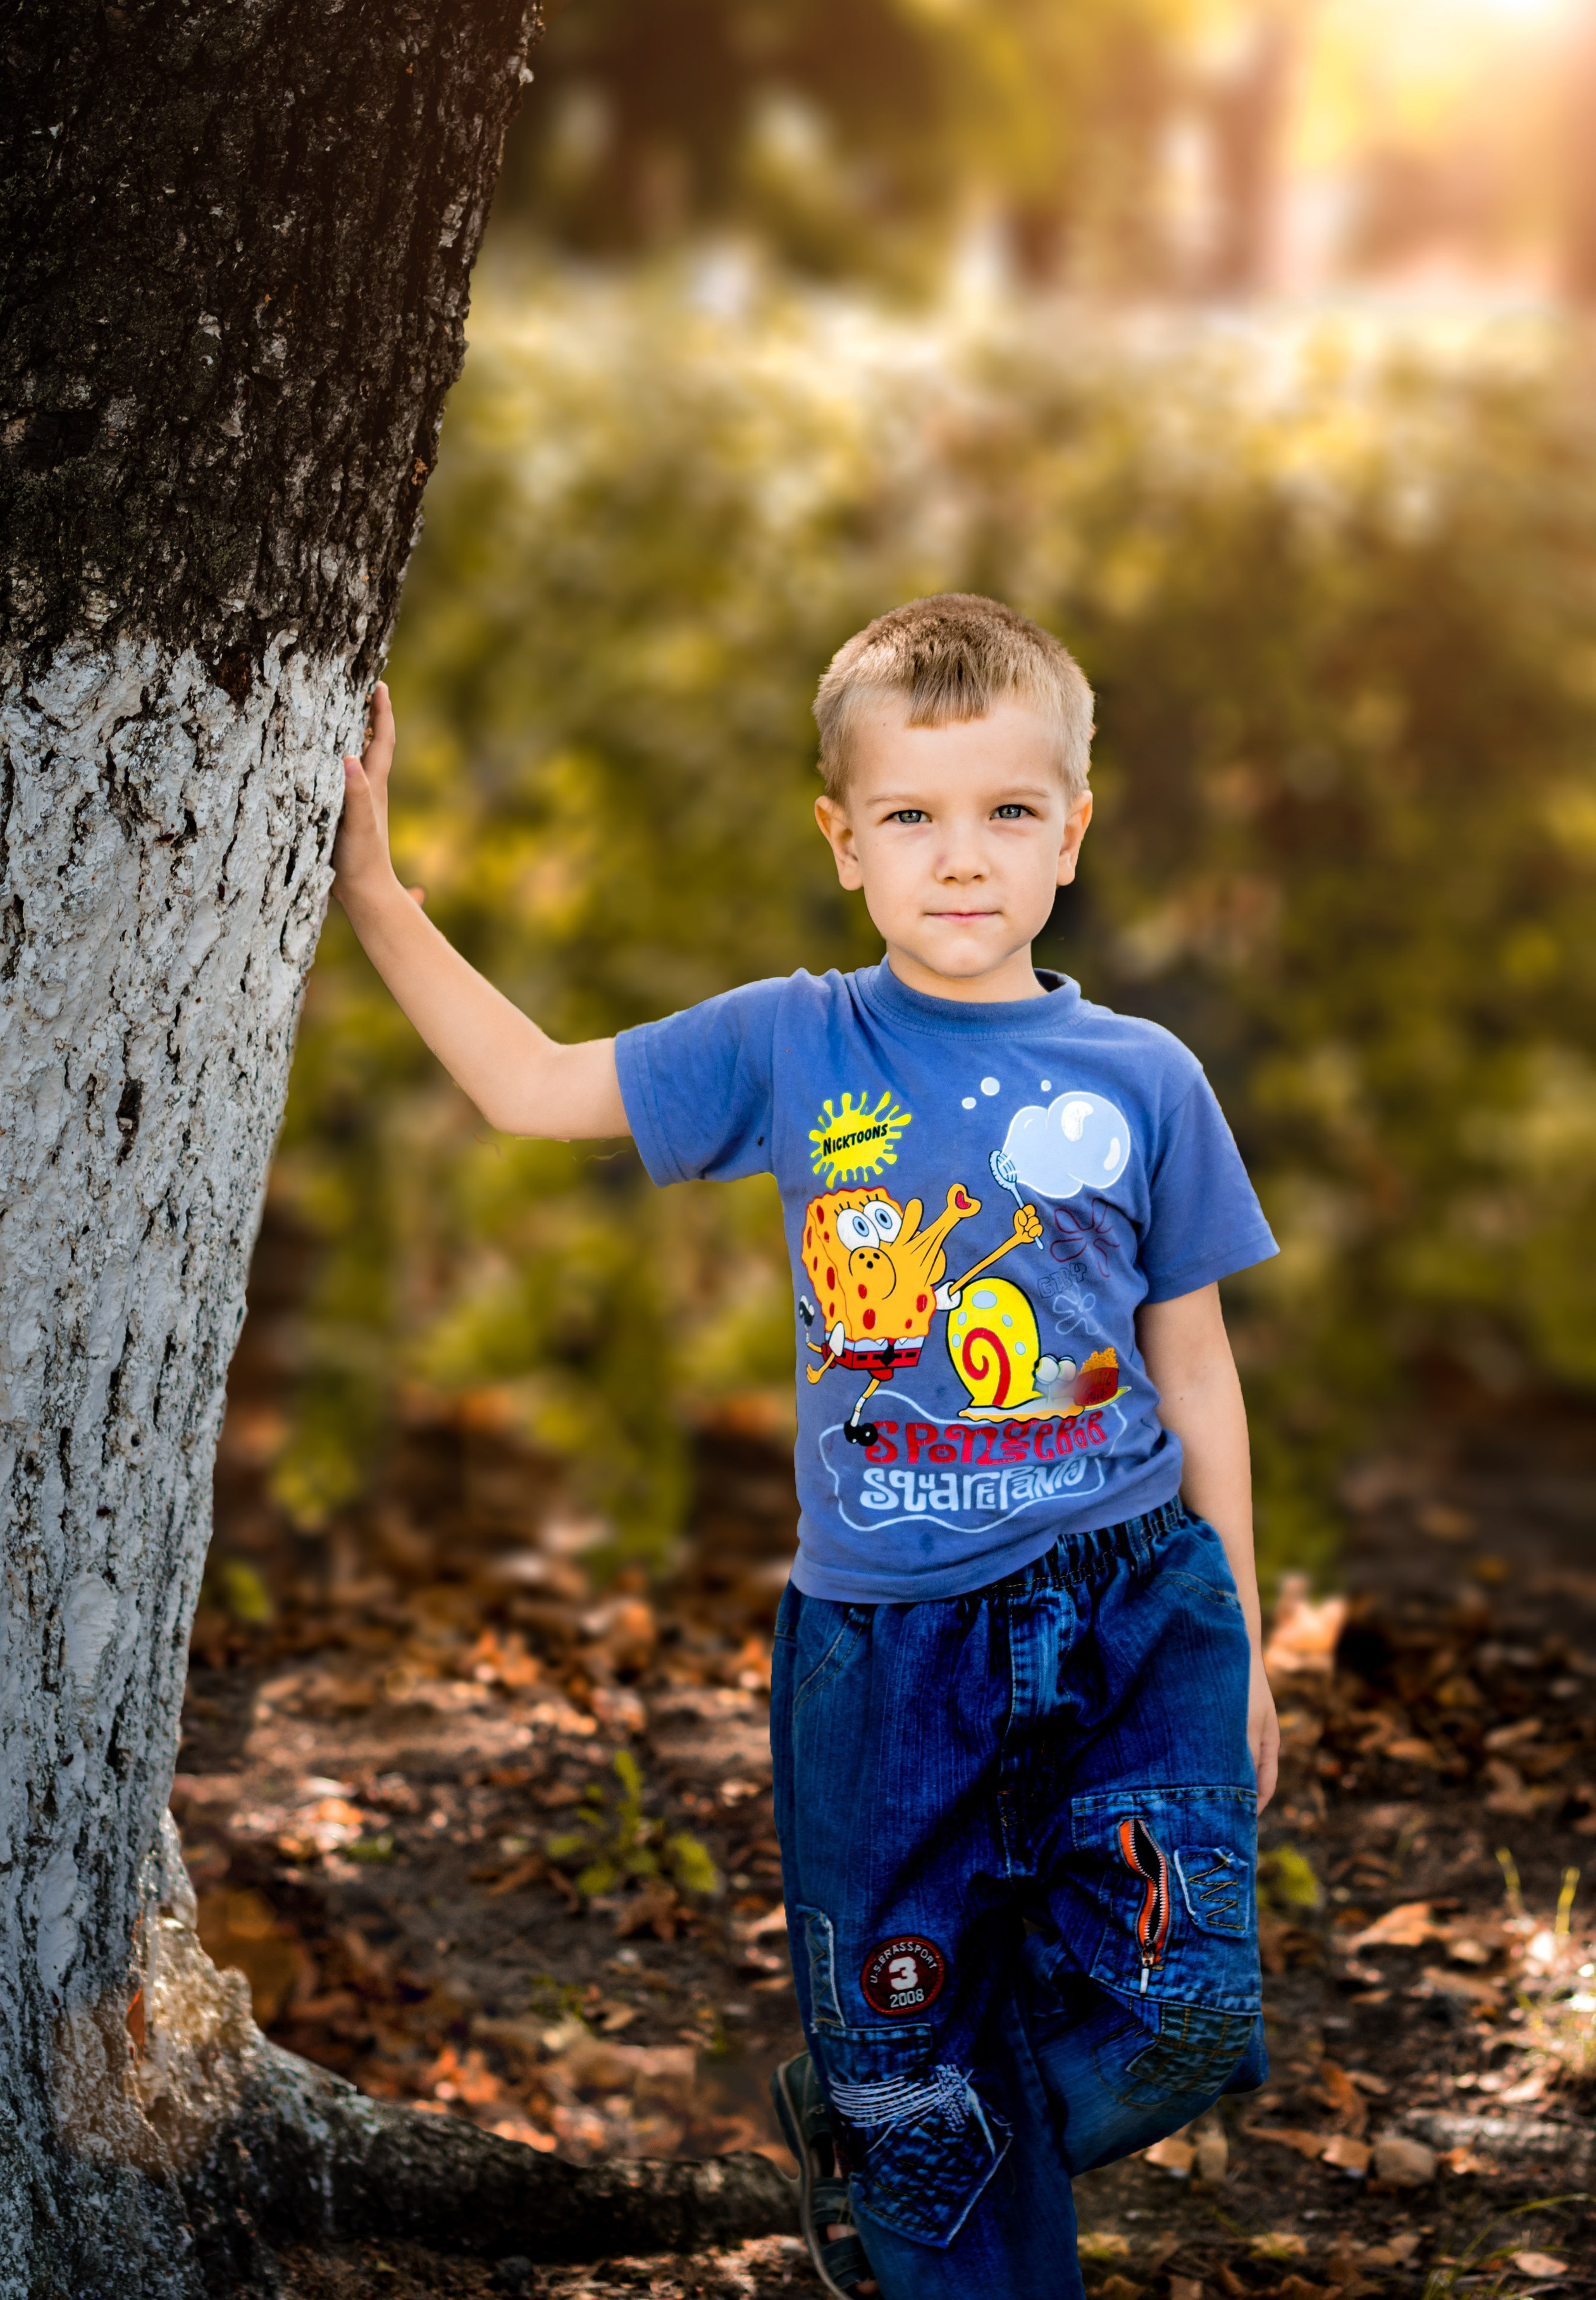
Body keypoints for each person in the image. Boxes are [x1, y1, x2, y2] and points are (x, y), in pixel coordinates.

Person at [331, 593, 1280, 2300]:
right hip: (885, 1646)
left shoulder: (1149, 1078)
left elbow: (1195, 1373)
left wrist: (1250, 1644)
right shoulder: (793, 1040)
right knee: (915, 2044)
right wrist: (378, 894)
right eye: (911, 816)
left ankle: (895, 2133)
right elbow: (535, 1089)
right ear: (844, 843)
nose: (962, 857)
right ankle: (906, 2142)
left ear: (1074, 828)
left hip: (1138, 1607)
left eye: (1006, 811)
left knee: (1187, 2019)